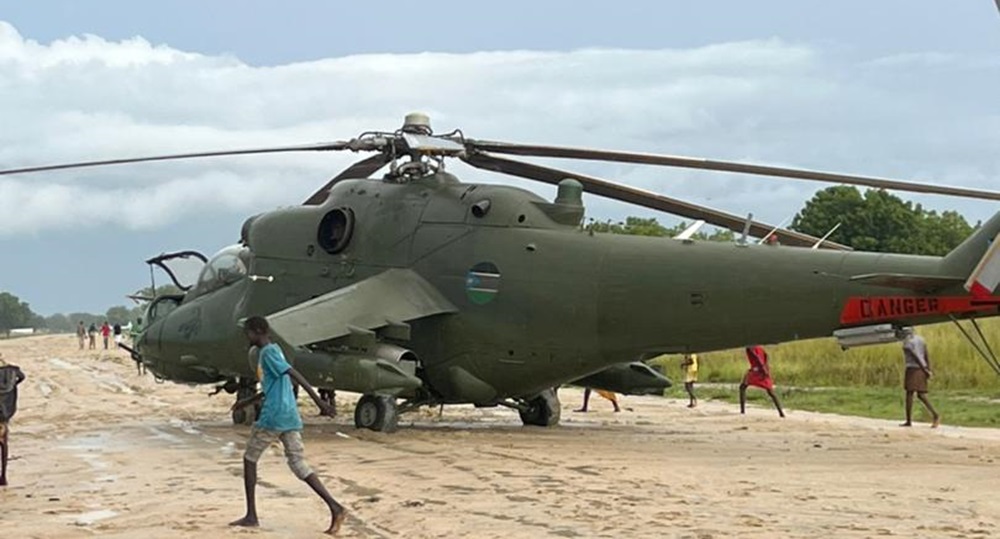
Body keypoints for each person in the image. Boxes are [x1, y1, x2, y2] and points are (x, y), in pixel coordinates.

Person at [229, 316, 346, 534]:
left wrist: (319, 401)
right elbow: (275, 384)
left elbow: (293, 374)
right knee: (298, 463)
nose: (247, 337)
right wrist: (248, 400)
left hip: (274, 416)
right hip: (289, 415)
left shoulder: (268, 353)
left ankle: (251, 516)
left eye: (248, 332)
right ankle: (335, 506)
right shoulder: (276, 350)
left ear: (257, 331)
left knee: (249, 459)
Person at [900, 328, 940, 428]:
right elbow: (926, 354)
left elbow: (915, 357)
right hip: (922, 367)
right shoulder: (921, 339)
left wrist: (924, 369)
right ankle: (909, 420)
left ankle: (935, 415)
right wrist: (928, 368)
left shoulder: (906, 344)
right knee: (918, 394)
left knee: (912, 394)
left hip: (913, 368)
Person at [0, 353, 26, 486]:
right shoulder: (11, 370)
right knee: (4, 445)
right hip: (3, 413)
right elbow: (22, 377)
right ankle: (3, 476)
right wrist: (13, 385)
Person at [739, 345, 785, 418]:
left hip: (757, 370)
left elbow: (757, 357)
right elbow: (766, 355)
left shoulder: (750, 346)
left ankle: (742, 411)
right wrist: (766, 366)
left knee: (742, 387)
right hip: (761, 369)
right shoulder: (758, 346)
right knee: (771, 392)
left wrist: (763, 368)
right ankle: (781, 413)